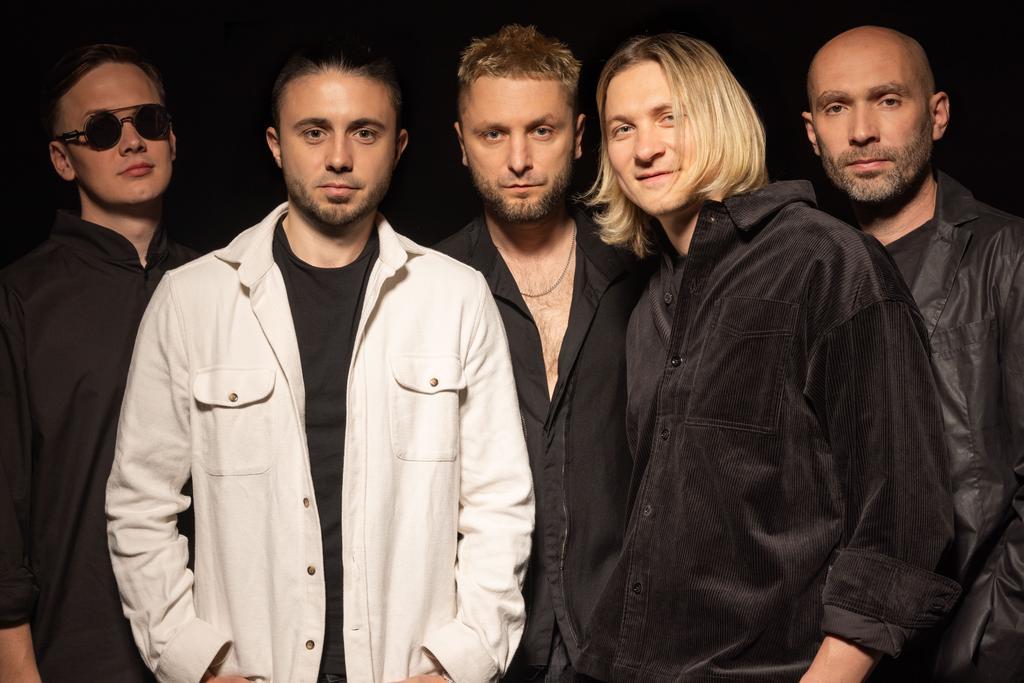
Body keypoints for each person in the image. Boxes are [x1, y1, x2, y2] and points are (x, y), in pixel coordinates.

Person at [104, 42, 533, 683]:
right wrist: (194, 663)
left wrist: (461, 664)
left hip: (410, 668)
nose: (338, 156)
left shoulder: (457, 298)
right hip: (251, 666)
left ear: (399, 146)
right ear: (276, 145)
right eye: (313, 132)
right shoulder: (192, 301)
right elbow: (140, 504)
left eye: (365, 132)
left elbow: (500, 502)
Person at [573, 33, 960, 682]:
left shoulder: (825, 262)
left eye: (669, 117)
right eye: (622, 128)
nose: (644, 148)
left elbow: (902, 520)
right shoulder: (646, 312)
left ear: (720, 118)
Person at [803, 25, 1024, 682]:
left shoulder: (1008, 258)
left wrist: (982, 648)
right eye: (837, 107)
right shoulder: (805, 276)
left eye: (888, 100)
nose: (861, 131)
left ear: (938, 114)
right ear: (812, 132)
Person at [435, 25, 643, 683]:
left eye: (541, 130)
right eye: (493, 134)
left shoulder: (645, 269)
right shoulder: (426, 289)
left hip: (627, 641)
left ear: (579, 136)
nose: (518, 159)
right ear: (461, 144)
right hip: (478, 648)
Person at [0, 43, 194, 683]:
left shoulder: (223, 284)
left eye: (149, 122)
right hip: (76, 652)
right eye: (103, 129)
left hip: (218, 652)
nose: (132, 142)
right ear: (63, 158)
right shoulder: (20, 299)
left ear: (172, 138)